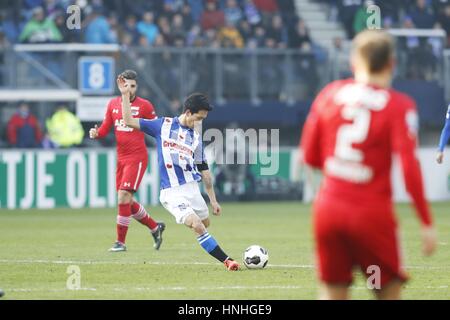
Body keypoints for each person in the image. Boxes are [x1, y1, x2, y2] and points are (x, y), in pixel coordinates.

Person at [300, 30, 437, 300]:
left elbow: (311, 156)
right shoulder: (399, 105)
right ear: (391, 64)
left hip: (329, 212)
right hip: (371, 216)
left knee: (332, 292)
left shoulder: (330, 94)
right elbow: (409, 166)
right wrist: (425, 221)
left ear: (353, 62)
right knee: (386, 290)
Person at [118, 76, 240, 271]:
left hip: (193, 190)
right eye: (198, 118)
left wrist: (213, 200)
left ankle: (194, 225)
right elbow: (128, 120)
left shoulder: (196, 139)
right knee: (197, 226)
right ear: (188, 112)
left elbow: (206, 173)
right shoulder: (162, 125)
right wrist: (125, 95)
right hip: (172, 192)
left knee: (205, 223)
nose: (199, 122)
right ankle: (228, 261)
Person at [89, 70, 165, 252]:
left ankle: (120, 242)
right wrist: (96, 133)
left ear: (136, 87)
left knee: (123, 196)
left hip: (137, 158)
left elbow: (156, 128)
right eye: (125, 85)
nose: (129, 89)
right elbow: (105, 128)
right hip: (121, 159)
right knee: (127, 202)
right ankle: (155, 227)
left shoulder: (144, 106)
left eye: (132, 86)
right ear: (120, 86)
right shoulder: (113, 104)